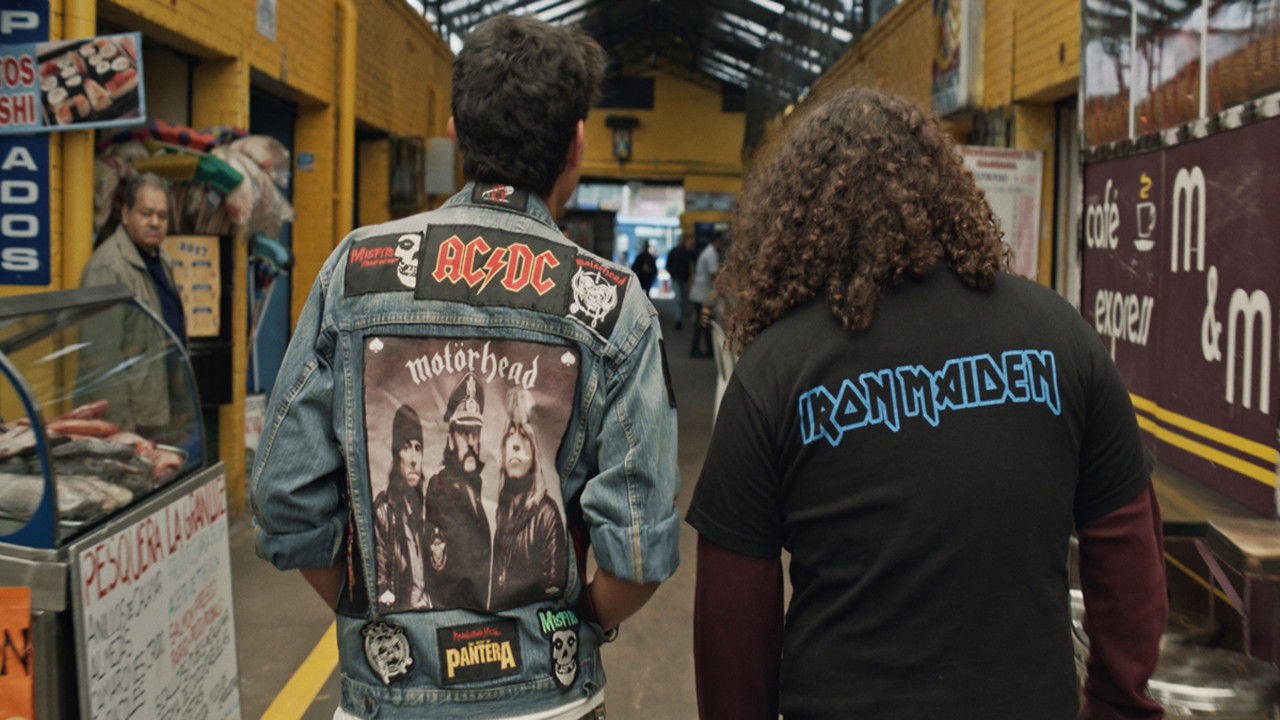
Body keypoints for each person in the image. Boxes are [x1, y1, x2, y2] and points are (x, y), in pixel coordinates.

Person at [686, 88, 1166, 720]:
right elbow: (1129, 547)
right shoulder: (1060, 335)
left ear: (795, 216)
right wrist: (1115, 701)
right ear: (947, 191)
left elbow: (730, 623)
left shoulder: (774, 372)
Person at [249, 14, 680, 720]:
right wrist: (577, 631)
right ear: (577, 143)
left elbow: (284, 498)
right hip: (550, 700)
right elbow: (640, 550)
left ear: (454, 132)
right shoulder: (610, 302)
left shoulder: (356, 271)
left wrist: (374, 618)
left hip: (388, 693)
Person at [78, 173, 188, 434]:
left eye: (162, 216)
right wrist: (118, 421)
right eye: (146, 213)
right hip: (130, 420)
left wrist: (179, 401)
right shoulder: (108, 267)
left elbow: (170, 336)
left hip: (158, 410)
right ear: (126, 214)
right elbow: (100, 356)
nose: (155, 222)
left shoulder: (162, 259)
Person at [491, 387, 567, 609]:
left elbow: (553, 590)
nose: (515, 444)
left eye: (523, 434)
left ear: (535, 448)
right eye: (509, 433)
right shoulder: (502, 510)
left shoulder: (547, 513)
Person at [423, 372, 493, 611]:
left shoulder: (473, 485)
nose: (472, 442)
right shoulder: (441, 486)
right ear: (451, 439)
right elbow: (443, 569)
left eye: (476, 433)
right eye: (464, 433)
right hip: (454, 616)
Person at [372, 404, 431, 612]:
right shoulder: (384, 511)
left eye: (418, 448)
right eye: (406, 448)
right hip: (404, 616)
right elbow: (380, 582)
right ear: (396, 456)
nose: (414, 459)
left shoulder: (424, 509)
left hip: (429, 612)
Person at [688, 232, 721, 357]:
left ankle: (708, 349)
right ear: (717, 241)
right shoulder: (711, 254)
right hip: (703, 294)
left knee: (703, 322)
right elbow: (714, 274)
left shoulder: (707, 252)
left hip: (701, 293)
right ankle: (697, 349)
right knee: (702, 322)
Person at [666, 234, 693, 330]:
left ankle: (680, 318)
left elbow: (690, 264)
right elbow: (668, 265)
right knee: (678, 299)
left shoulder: (687, 252)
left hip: (684, 279)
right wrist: (672, 274)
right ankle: (678, 320)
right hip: (676, 278)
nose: (682, 242)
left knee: (683, 299)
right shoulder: (674, 252)